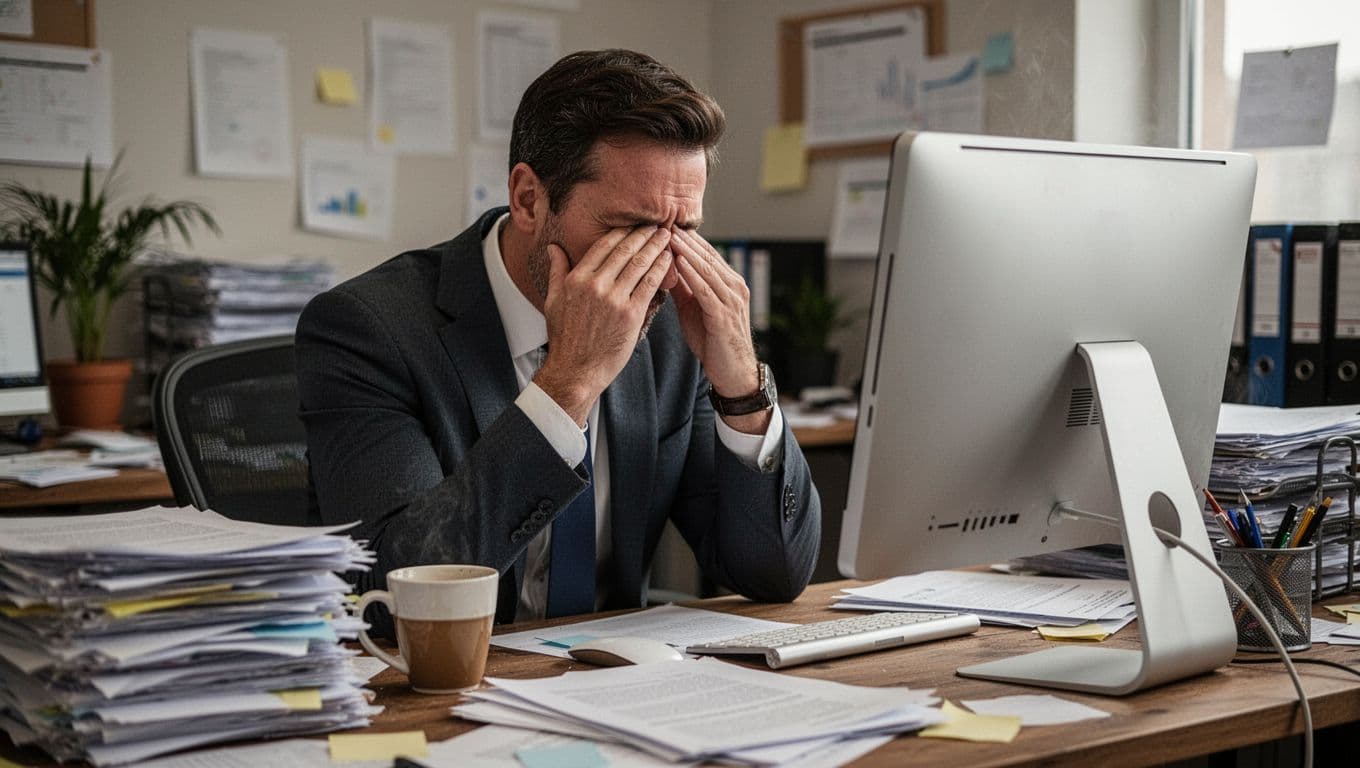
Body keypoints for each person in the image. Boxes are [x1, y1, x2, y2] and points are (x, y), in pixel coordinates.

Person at [295, 48, 821, 630]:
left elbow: (774, 573)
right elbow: (395, 597)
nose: (661, 267)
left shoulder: (673, 329)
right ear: (528, 200)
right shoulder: (368, 329)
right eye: (630, 230)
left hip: (616, 683)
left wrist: (743, 387)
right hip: (445, 688)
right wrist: (568, 383)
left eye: (685, 231)